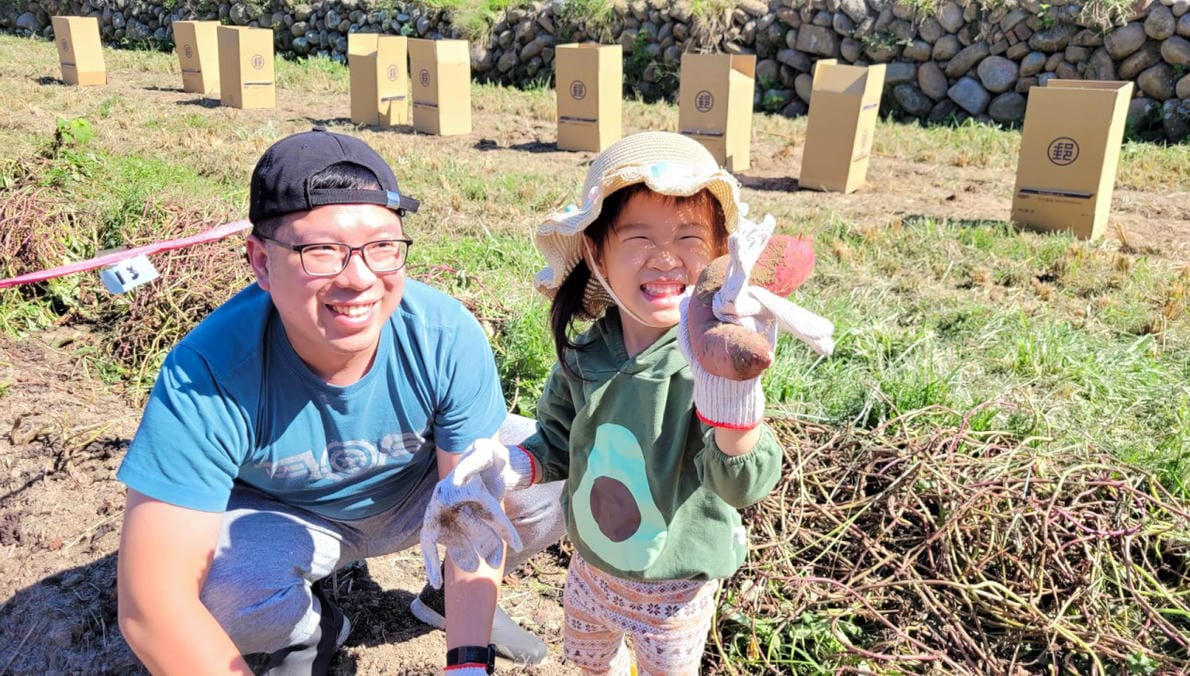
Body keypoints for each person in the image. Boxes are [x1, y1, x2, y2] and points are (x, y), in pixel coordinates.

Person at [115, 127, 564, 675]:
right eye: (320, 251)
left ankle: (451, 600)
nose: (359, 279)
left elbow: (470, 511)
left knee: (546, 471)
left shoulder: (443, 335)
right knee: (216, 592)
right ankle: (307, 631)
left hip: (412, 498)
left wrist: (468, 663)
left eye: (382, 248)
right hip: (286, 519)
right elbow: (151, 604)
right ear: (260, 262)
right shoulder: (208, 372)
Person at [420, 131, 834, 674]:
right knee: (594, 664)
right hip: (590, 573)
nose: (666, 259)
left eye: (689, 237)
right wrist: (510, 464)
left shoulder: (708, 367)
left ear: (718, 258)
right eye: (638, 237)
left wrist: (733, 403)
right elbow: (555, 442)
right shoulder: (588, 354)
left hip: (674, 595)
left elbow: (741, 486)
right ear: (596, 253)